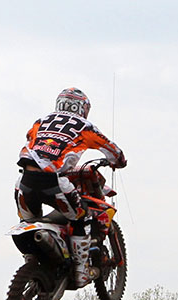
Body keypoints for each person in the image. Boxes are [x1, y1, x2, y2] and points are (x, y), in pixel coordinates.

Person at [15, 87, 127, 286]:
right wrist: (119, 161)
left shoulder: (40, 122)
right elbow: (113, 151)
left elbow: (30, 140)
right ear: (83, 108)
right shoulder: (85, 126)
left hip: (24, 182)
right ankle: (81, 271)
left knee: (28, 222)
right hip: (53, 180)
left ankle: (33, 263)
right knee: (81, 216)